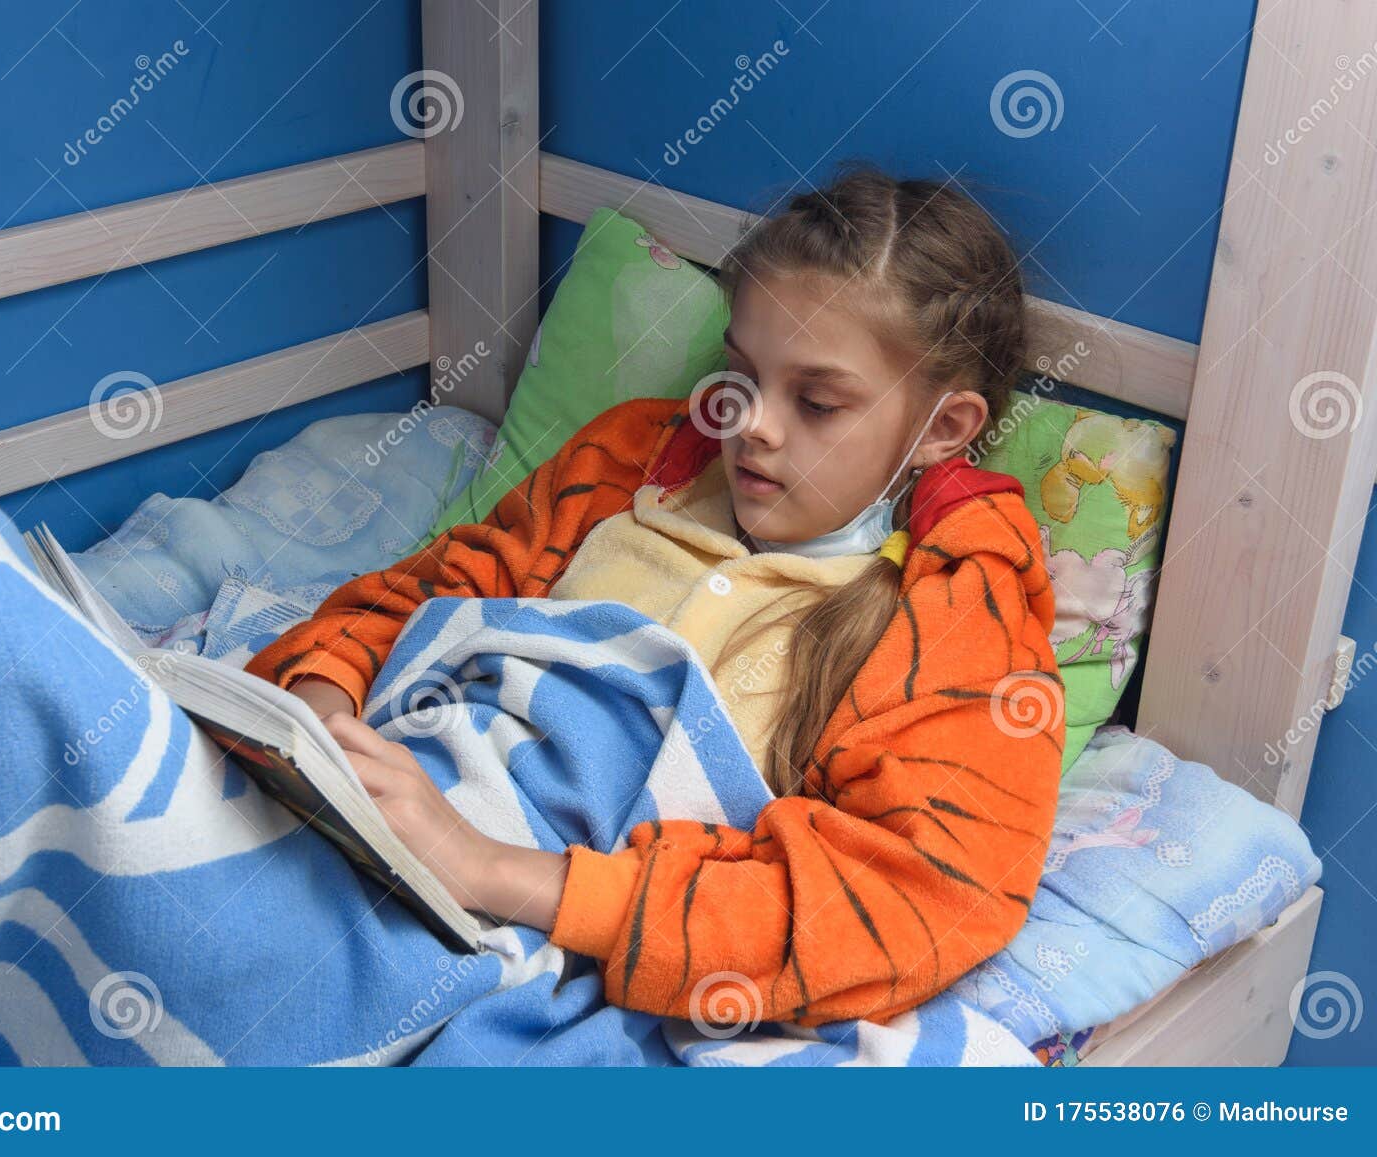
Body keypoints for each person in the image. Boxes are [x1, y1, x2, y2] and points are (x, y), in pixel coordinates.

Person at [244, 161, 1064, 1027]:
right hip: (384, 796)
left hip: (519, 913)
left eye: (817, 402)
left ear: (942, 429)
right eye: (741, 373)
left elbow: (908, 899)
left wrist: (484, 867)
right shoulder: (625, 465)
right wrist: (322, 731)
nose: (751, 422)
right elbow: (426, 594)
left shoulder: (948, 622)